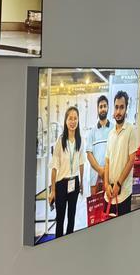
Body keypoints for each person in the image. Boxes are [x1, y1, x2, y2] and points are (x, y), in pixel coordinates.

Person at [48, 106, 85, 237]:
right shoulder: (60, 140)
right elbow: (54, 167)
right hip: (61, 184)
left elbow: (81, 163)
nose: (73, 121)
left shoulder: (80, 140)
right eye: (70, 118)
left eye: (75, 118)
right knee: (60, 219)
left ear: (78, 120)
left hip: (74, 183)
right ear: (66, 120)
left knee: (71, 217)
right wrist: (53, 190)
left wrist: (81, 182)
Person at [104, 91, 140, 216]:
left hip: (123, 193)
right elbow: (107, 161)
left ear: (126, 108)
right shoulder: (110, 134)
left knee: (123, 226)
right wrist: (106, 184)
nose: (118, 111)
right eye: (116, 107)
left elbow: (131, 160)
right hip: (109, 194)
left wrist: (118, 184)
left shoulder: (131, 130)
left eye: (121, 107)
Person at [85, 95, 112, 195]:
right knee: (95, 203)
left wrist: (106, 171)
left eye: (105, 106)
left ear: (108, 108)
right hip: (94, 177)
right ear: (97, 109)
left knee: (110, 203)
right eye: (101, 107)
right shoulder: (92, 132)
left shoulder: (113, 129)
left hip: (110, 175)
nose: (103, 109)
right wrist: (100, 169)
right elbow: (89, 154)